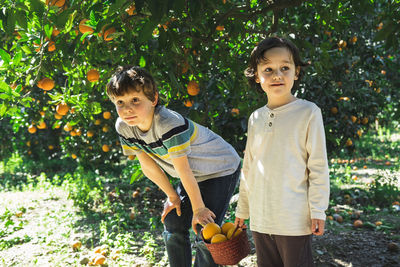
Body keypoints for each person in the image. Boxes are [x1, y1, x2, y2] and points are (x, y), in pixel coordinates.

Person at [106, 66, 241, 267]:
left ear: (153, 99)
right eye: (120, 102)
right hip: (191, 174)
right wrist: (172, 197)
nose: (127, 108)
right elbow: (148, 165)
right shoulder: (124, 126)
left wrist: (199, 209)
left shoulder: (168, 123)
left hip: (219, 169)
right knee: (173, 221)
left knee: (207, 230)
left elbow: (183, 170)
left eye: (135, 100)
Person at [234, 37, 330, 267]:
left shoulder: (308, 112)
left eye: (285, 68)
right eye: (268, 69)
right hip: (261, 217)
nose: (277, 74)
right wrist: (243, 209)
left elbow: (318, 166)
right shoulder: (255, 118)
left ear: (296, 72)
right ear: (257, 76)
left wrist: (318, 209)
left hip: (293, 217)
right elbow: (249, 167)